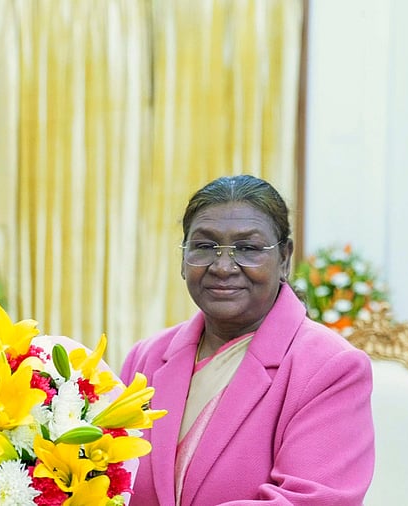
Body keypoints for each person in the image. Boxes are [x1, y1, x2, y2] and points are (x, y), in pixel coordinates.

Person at [120, 175, 375, 505]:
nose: (223, 267)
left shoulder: (330, 368)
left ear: (284, 258)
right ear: (183, 259)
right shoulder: (146, 358)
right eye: (205, 247)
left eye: (248, 249)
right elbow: (106, 477)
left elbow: (311, 500)